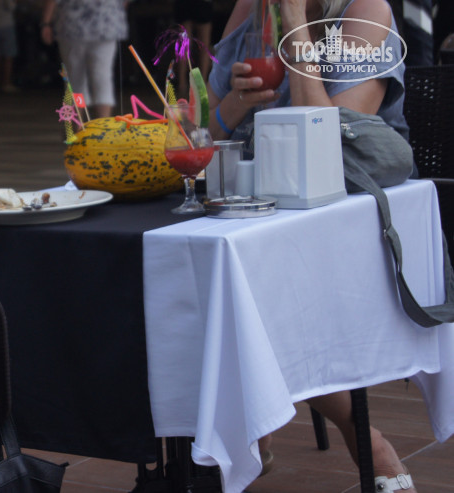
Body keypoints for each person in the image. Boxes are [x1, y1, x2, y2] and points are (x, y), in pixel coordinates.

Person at [207, 0, 416, 491]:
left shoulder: (364, 11)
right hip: (259, 198)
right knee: (206, 275)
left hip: (349, 205)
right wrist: (238, 101)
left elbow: (330, 139)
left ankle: (360, 436)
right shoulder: (248, 10)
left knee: (256, 287)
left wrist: (297, 24)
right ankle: (255, 424)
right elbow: (207, 131)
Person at [40, 0, 130, 119]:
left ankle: (79, 126)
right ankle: (103, 124)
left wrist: (46, 23)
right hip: (106, 24)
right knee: (102, 78)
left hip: (72, 25)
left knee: (75, 81)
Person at [174, 0, 215, 98]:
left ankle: (182, 84)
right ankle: (202, 82)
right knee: (204, 45)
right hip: (203, 3)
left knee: (184, 44)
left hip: (184, 3)